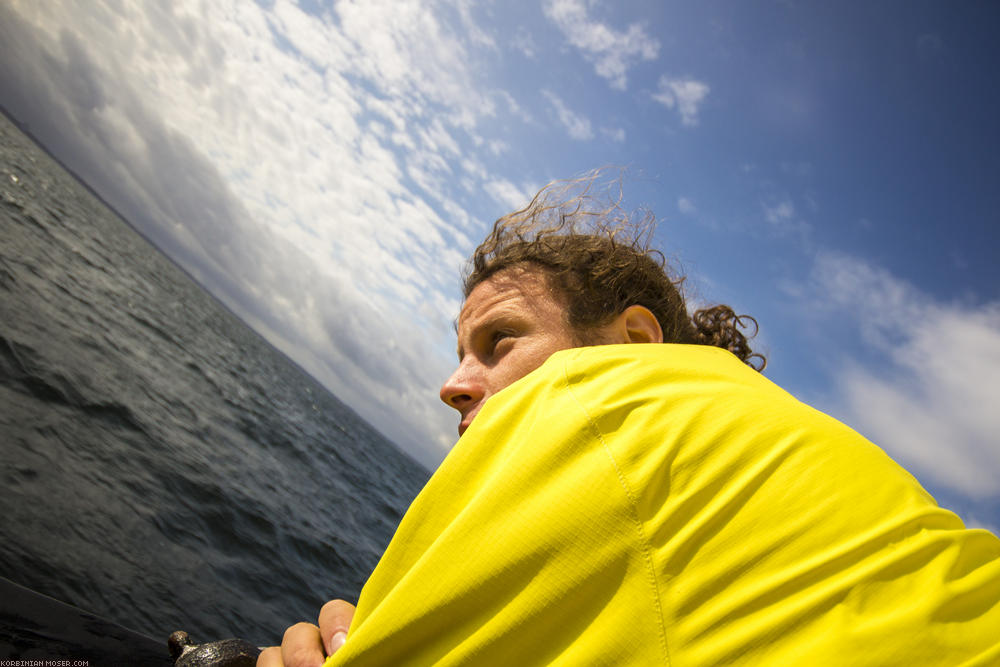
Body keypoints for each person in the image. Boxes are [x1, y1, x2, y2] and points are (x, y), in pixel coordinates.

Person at [259, 175, 1000, 666]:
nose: (454, 385)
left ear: (634, 343)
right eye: (460, 352)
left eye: (499, 341)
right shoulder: (778, 446)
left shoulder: (611, 411)